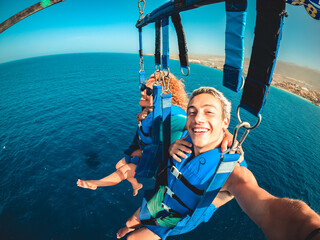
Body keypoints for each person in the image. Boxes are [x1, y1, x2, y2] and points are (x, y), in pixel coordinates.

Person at [116, 87, 320, 240]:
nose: (198, 119)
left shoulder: (230, 172)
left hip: (176, 216)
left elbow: (270, 209)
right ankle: (128, 226)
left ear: (225, 121)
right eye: (193, 112)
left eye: (209, 112)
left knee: (133, 238)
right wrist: (169, 149)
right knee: (130, 222)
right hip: (159, 197)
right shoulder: (185, 137)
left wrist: (309, 230)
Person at [76, 72, 190, 196]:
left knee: (123, 171)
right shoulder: (149, 113)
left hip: (160, 163)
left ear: (163, 97)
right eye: (143, 88)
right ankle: (136, 185)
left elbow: (191, 124)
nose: (142, 92)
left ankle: (95, 183)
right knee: (118, 164)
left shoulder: (172, 119)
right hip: (149, 151)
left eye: (149, 91)